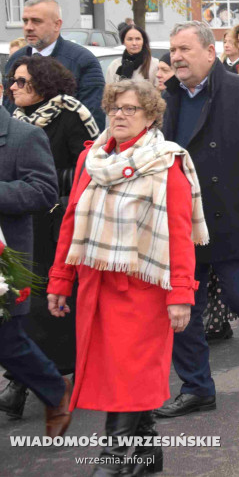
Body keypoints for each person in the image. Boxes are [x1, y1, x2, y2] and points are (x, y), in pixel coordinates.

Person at [47, 79, 205, 471]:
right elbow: (71, 224)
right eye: (114, 107)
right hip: (95, 286)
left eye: (130, 108)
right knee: (121, 375)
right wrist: (60, 280)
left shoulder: (166, 162)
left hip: (145, 289)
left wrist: (181, 294)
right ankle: (149, 454)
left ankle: (114, 458)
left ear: (151, 116)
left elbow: (179, 235)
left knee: (127, 376)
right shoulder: (92, 158)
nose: (119, 114)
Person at [157, 21, 239, 418]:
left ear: (211, 52)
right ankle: (197, 387)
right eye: (172, 49)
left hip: (234, 217)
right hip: (182, 222)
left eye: (184, 49)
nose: (176, 57)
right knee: (184, 307)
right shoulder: (166, 98)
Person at [1, 57, 98, 415]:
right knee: (24, 312)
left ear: (43, 83)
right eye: (13, 81)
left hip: (56, 221)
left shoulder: (70, 113)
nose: (14, 88)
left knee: (43, 308)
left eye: (23, 82)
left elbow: (90, 163)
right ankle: (24, 386)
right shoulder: (14, 120)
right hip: (24, 223)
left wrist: (63, 198)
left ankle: (44, 383)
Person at [0, 104, 70, 438]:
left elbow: (44, 191)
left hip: (5, 261)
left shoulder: (24, 136)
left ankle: (55, 391)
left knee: (9, 342)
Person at [3, 0, 106, 130]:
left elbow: (93, 119)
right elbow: (8, 110)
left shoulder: (82, 61)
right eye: (25, 21)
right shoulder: (15, 59)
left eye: (36, 21)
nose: (28, 27)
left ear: (57, 25)